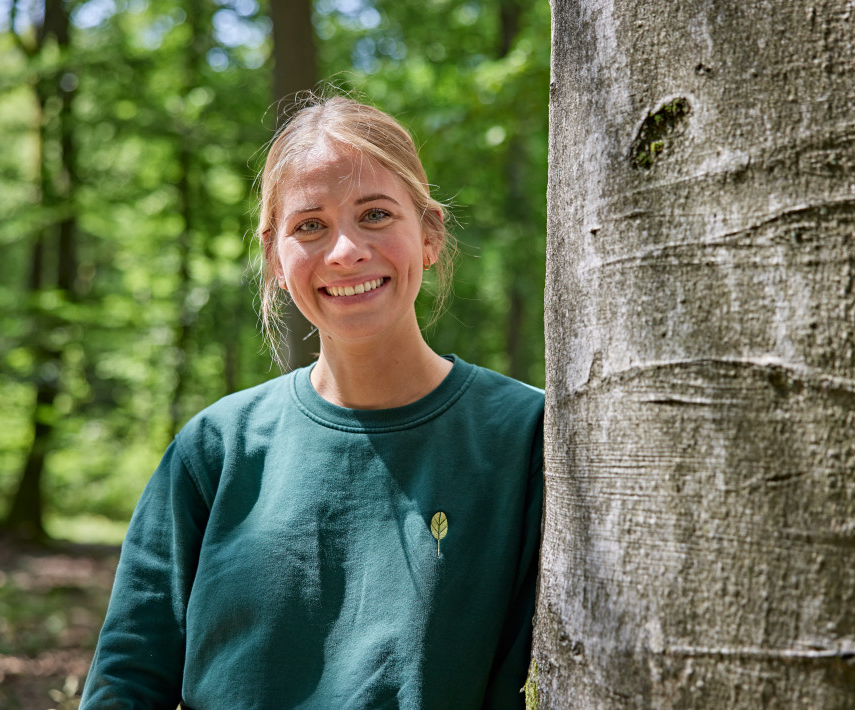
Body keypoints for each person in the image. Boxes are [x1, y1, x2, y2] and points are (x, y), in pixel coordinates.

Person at [79, 95, 544, 709]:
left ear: (429, 235)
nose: (345, 250)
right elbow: (126, 681)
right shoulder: (216, 448)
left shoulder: (527, 435)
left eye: (375, 214)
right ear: (275, 256)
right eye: (310, 225)